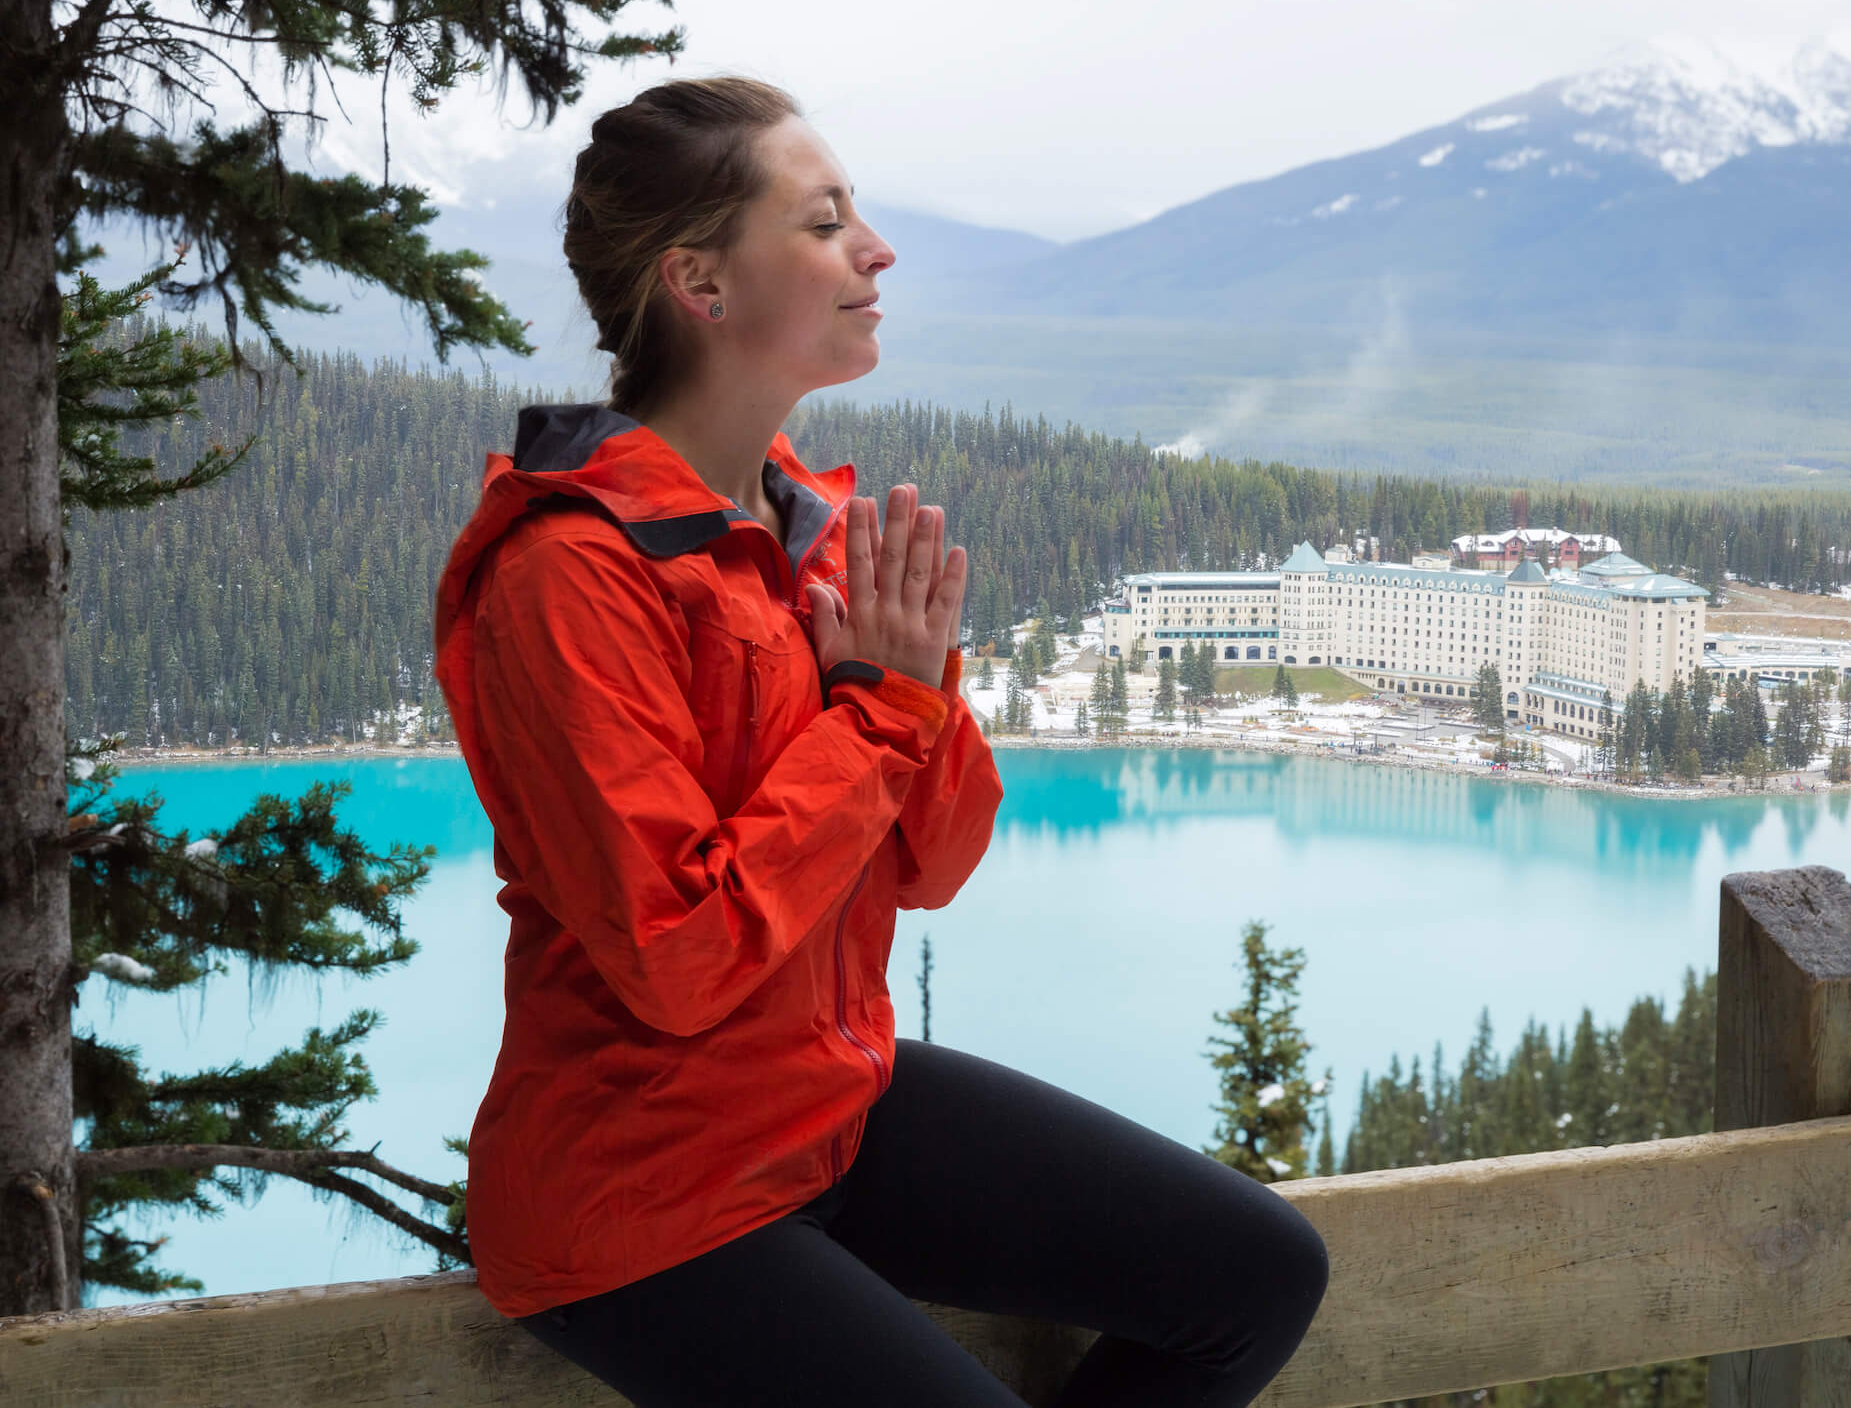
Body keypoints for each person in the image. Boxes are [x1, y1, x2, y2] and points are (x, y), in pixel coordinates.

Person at [431, 76, 1327, 1407]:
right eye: (825, 221)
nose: (879, 250)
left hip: (817, 1111)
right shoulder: (573, 573)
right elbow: (677, 955)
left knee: (1257, 1276)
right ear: (700, 282)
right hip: (643, 1196)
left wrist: (915, 696)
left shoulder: (806, 536)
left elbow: (931, 859)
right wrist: (877, 716)